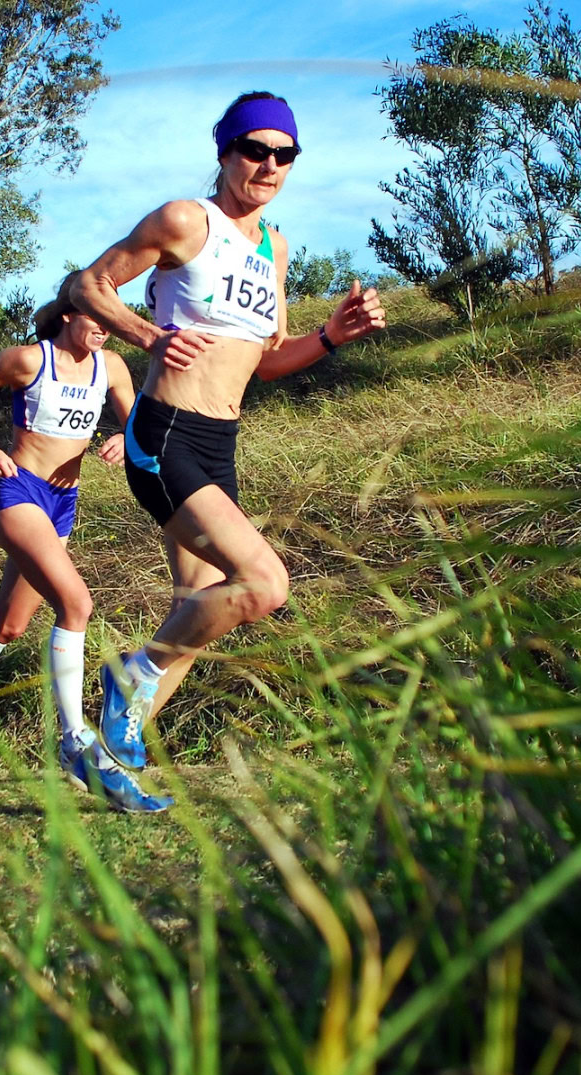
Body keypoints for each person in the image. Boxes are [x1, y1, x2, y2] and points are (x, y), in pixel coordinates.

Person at [69, 91, 386, 769]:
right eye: (256, 150)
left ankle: (106, 760)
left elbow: (268, 360)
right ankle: (129, 678)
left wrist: (332, 335)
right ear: (226, 152)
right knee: (264, 585)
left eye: (285, 155)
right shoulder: (187, 220)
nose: (269, 165)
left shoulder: (275, 247)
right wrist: (145, 335)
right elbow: (87, 286)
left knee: (197, 604)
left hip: (220, 443)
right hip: (164, 434)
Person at [0, 287, 172, 814]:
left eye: (114, 320)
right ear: (71, 313)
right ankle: (75, 739)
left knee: (8, 626)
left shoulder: (112, 367)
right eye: (99, 317)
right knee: (76, 604)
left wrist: (125, 436)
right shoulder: (30, 359)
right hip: (17, 492)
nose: (107, 326)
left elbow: (139, 420)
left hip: (63, 502)